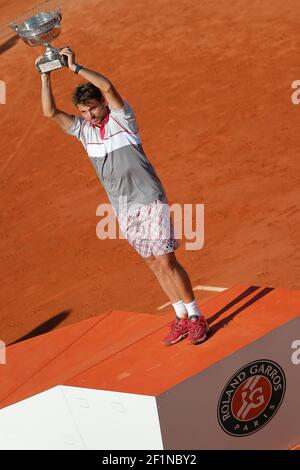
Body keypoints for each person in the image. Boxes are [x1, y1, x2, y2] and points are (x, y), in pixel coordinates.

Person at [36, 47, 209, 345]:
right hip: (124, 209)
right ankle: (180, 317)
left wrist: (75, 67)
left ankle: (196, 316)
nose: (89, 115)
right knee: (154, 264)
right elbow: (49, 112)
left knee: (167, 262)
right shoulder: (82, 131)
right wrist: (45, 76)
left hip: (149, 199)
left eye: (92, 108)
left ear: (102, 104)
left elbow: (107, 85)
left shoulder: (122, 119)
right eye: (84, 111)